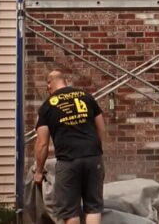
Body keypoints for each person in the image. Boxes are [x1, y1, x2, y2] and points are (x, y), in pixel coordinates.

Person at [34, 69, 107, 224]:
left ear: (49, 85)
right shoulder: (86, 97)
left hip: (68, 161)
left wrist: (39, 171)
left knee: (70, 212)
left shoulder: (47, 106)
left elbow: (42, 143)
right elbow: (101, 128)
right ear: (65, 81)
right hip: (93, 158)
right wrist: (96, 152)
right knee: (93, 208)